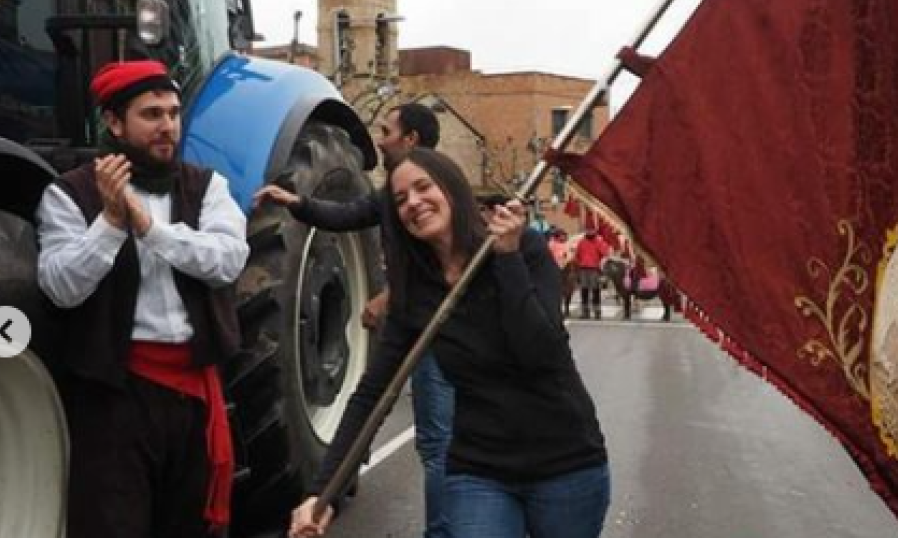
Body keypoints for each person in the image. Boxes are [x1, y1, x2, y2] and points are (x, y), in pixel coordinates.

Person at [289, 148, 609, 538]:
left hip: (565, 462)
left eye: (424, 187)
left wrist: (507, 259)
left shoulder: (523, 247)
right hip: (479, 469)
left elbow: (541, 352)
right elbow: (372, 394)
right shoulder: (413, 290)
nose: (413, 203)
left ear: (452, 189)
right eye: (400, 200)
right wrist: (323, 492)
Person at [36, 60, 249, 538]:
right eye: (151, 114)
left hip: (193, 393)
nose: (167, 126)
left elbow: (228, 260)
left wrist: (151, 230)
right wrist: (111, 224)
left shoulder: (207, 187)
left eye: (173, 113)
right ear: (115, 123)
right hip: (116, 398)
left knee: (189, 527)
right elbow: (60, 288)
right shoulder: (68, 195)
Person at [255, 101, 456, 538]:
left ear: (411, 140)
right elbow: (349, 214)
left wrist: (390, 296)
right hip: (409, 325)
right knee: (381, 410)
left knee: (440, 440)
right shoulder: (390, 198)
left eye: (386, 131)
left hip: (437, 333)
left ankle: (444, 530)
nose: (379, 140)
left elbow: (442, 266)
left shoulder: (435, 198)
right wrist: (298, 203)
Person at [573, 229, 610, 319]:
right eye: (588, 231)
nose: (590, 233)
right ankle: (585, 312)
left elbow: (605, 253)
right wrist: (578, 265)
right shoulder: (581, 242)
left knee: (595, 290)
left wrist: (601, 263)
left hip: (595, 269)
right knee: (584, 290)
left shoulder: (599, 242)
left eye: (592, 231)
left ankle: (597, 312)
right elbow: (577, 255)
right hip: (583, 268)